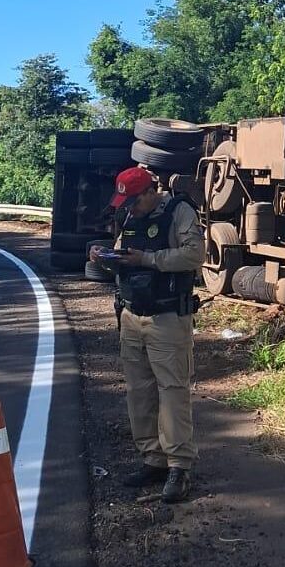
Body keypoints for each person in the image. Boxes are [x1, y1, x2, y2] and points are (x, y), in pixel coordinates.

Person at [90, 166, 206, 503]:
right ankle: (152, 459)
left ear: (149, 192)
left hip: (167, 317)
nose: (130, 208)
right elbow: (123, 255)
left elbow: (194, 255)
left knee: (172, 391)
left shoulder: (178, 212)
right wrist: (104, 257)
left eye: (133, 201)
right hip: (131, 315)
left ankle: (179, 466)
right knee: (139, 392)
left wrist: (149, 259)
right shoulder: (129, 216)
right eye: (125, 203)